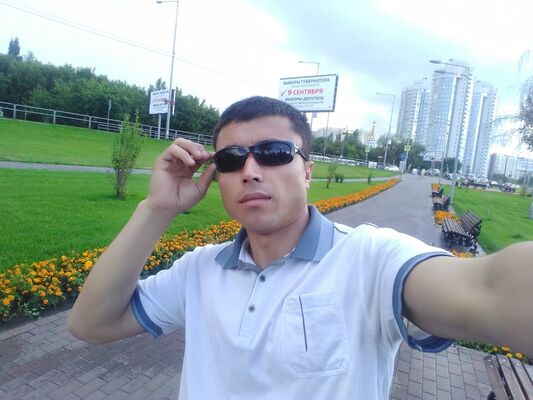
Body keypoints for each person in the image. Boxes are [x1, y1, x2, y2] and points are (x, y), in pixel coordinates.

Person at [67, 96, 533, 399]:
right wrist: (156, 208)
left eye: (273, 153)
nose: (250, 170)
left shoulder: (371, 260)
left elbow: (490, 289)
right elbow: (91, 324)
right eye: (231, 159)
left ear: (307, 170)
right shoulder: (200, 270)